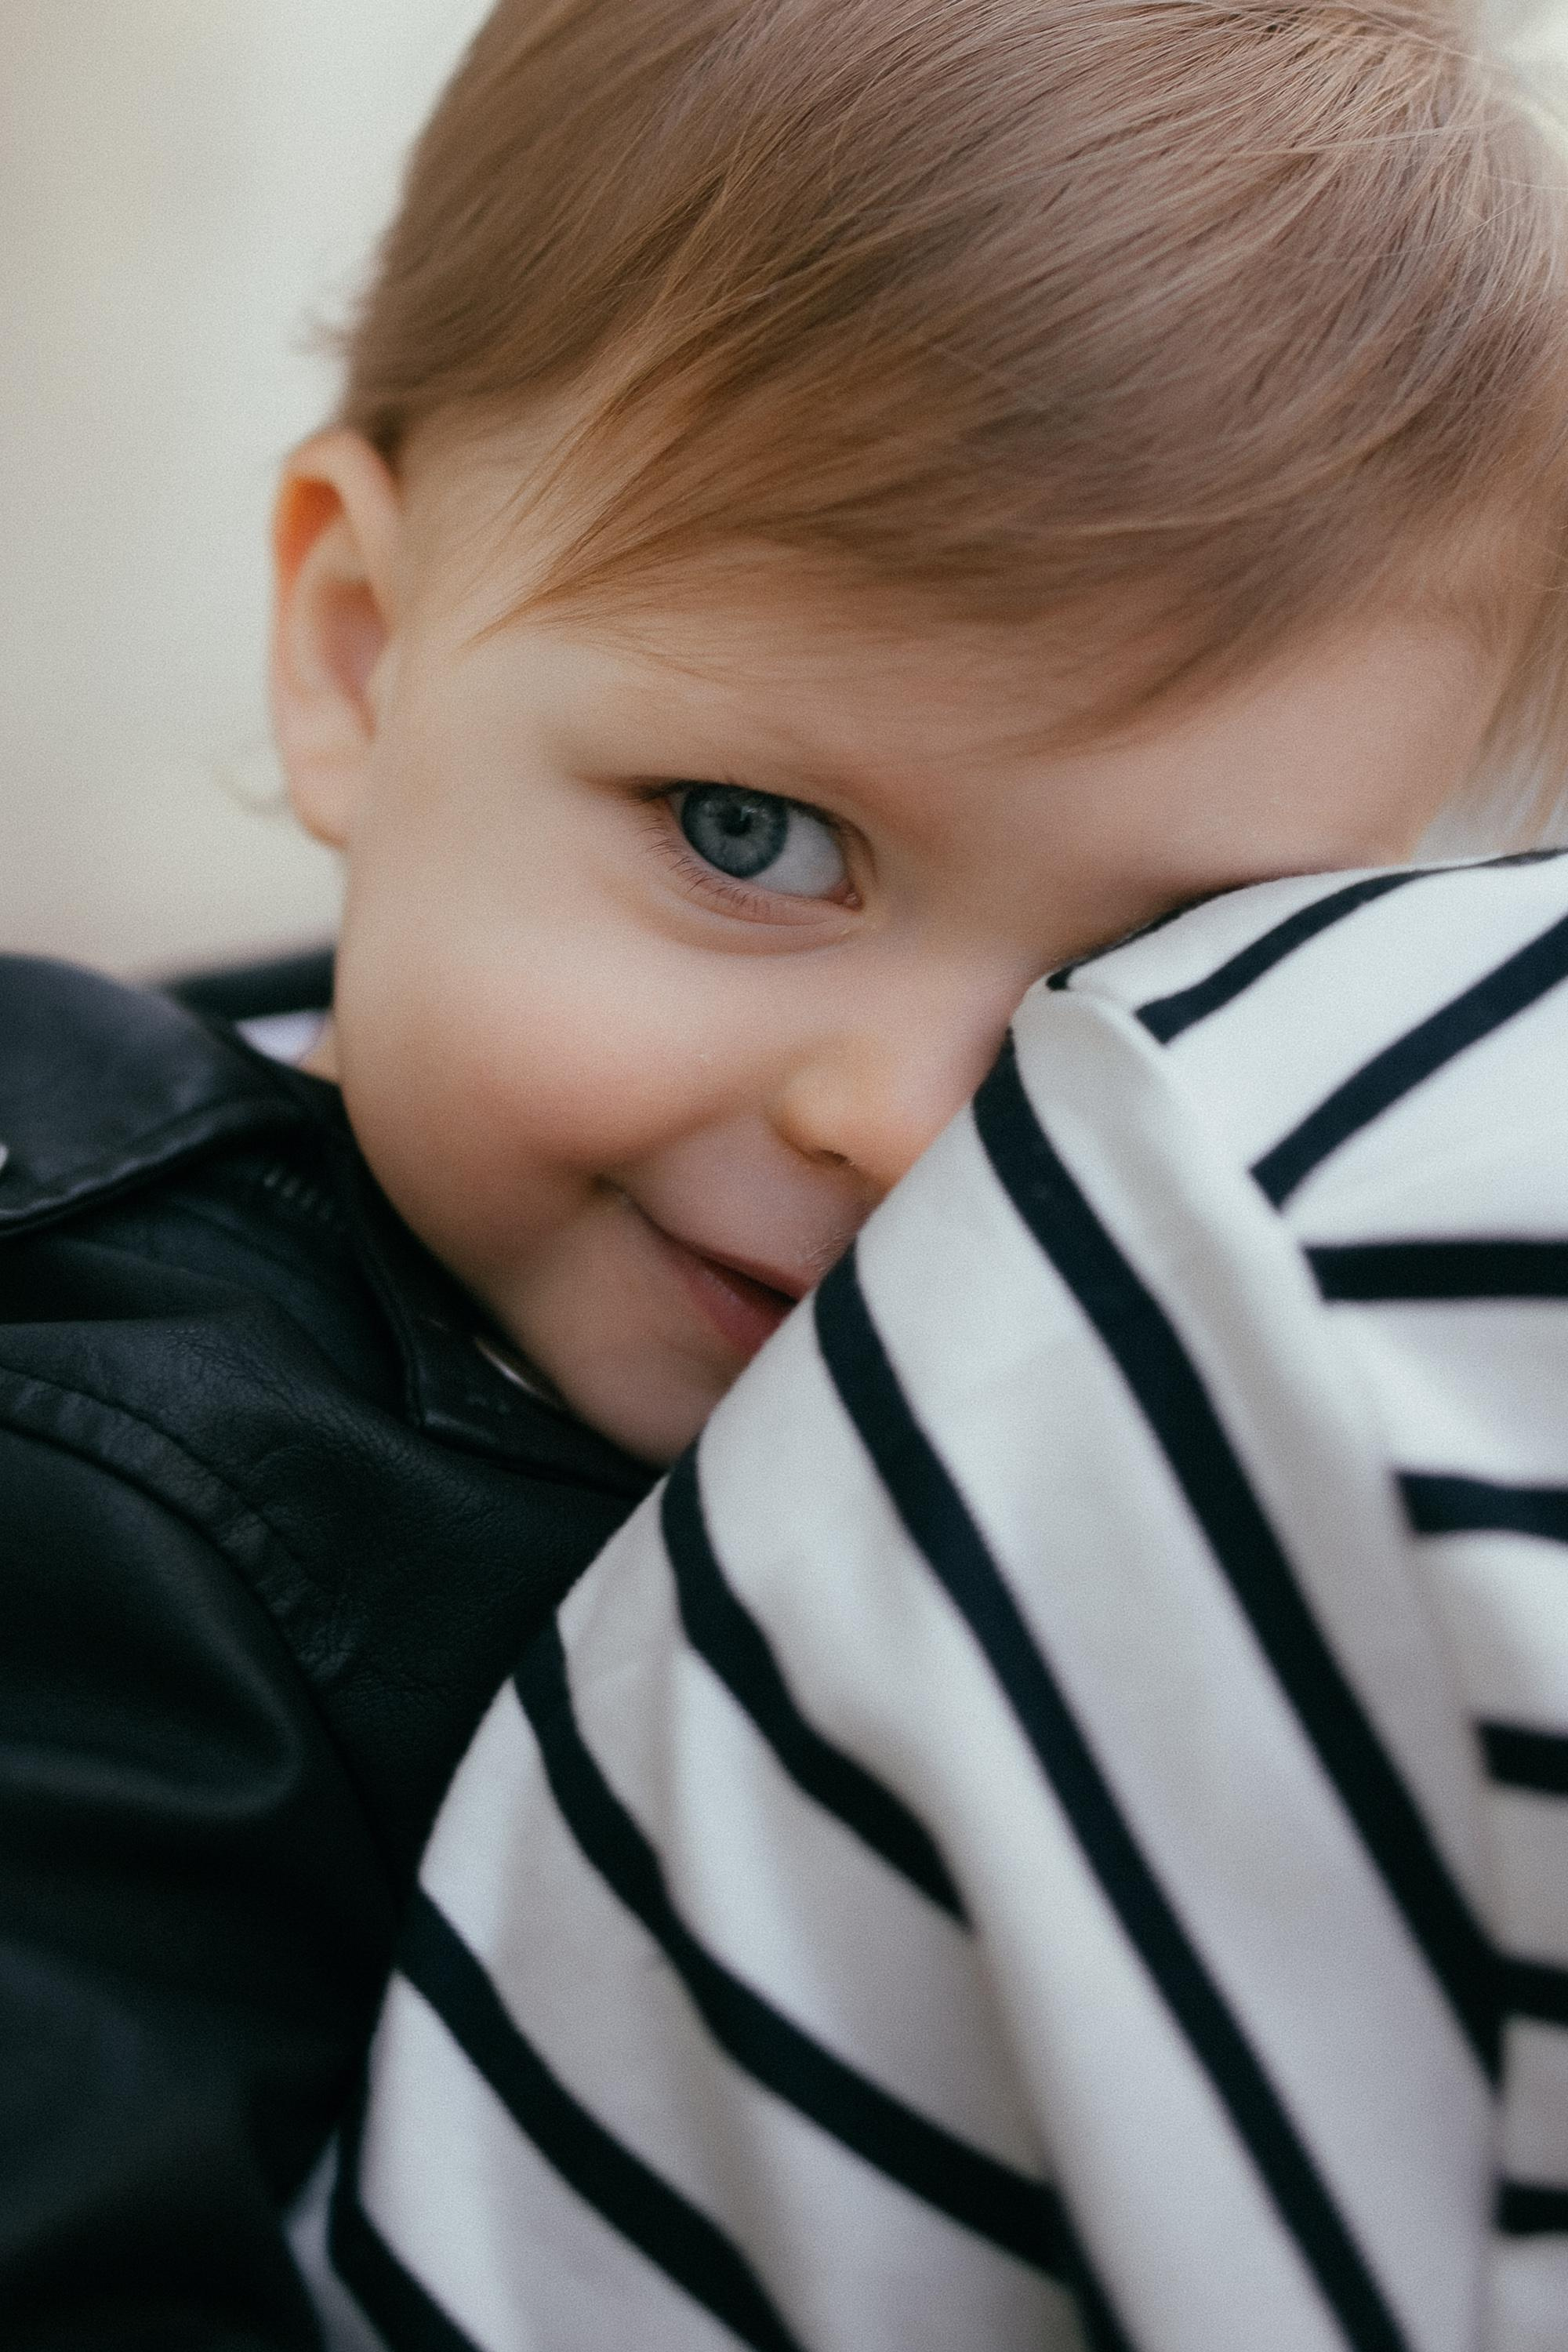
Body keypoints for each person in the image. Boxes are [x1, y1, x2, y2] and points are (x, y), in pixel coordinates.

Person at [2, 0, 1566, 2341]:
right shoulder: (103, 1503)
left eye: (1174, 954)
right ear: (357, 648)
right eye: (756, 838)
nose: (906, 1121)